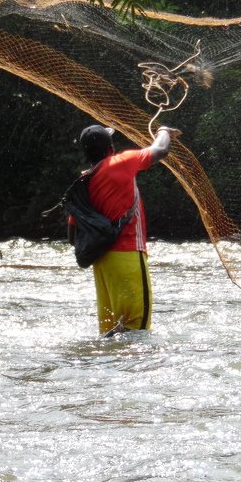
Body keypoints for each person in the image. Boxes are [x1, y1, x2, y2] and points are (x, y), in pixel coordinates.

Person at [71, 124, 177, 336]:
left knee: (112, 334)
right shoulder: (120, 162)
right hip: (127, 257)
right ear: (110, 147)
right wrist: (164, 131)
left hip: (101, 264)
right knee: (137, 331)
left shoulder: (84, 179)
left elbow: (73, 235)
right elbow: (160, 150)